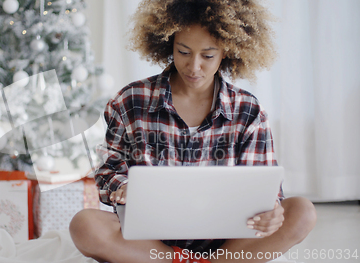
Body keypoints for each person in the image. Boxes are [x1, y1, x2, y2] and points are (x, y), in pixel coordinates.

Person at [70, 0, 317, 262]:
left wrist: (274, 211)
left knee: (302, 212)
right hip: (151, 242)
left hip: (228, 241)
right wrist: (124, 187)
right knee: (85, 225)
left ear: (227, 51)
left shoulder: (248, 110)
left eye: (208, 55)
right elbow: (107, 170)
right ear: (168, 44)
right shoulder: (131, 99)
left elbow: (268, 191)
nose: (194, 66)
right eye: (183, 52)